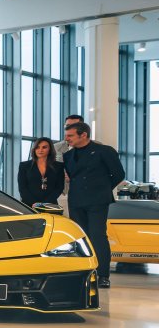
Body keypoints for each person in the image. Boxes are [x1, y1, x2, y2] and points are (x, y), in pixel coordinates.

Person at [63, 121, 124, 288]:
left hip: (97, 200)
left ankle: (103, 275)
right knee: (80, 238)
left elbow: (118, 174)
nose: (67, 139)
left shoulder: (104, 151)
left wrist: (101, 189)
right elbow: (73, 177)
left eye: (70, 135)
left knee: (98, 236)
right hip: (76, 201)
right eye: (66, 135)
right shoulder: (68, 155)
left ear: (83, 135)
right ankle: (83, 273)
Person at [17, 137, 65, 207]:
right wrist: (35, 204)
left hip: (50, 205)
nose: (40, 150)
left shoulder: (58, 166)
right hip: (29, 206)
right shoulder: (24, 166)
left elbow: (59, 187)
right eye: (37, 147)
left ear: (50, 149)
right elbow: (22, 188)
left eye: (44, 147)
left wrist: (44, 204)